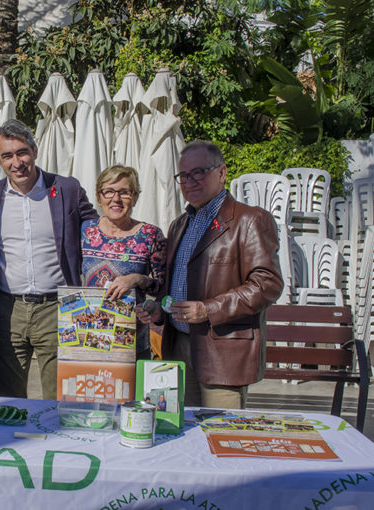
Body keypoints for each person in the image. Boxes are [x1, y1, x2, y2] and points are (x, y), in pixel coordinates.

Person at [137, 140, 283, 409]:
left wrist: (209, 309)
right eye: (183, 175)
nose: (190, 181)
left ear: (222, 173)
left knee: (221, 437)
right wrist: (160, 310)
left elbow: (268, 284)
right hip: (179, 347)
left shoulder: (249, 220)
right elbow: (177, 285)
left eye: (199, 172)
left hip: (223, 353)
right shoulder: (180, 224)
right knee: (184, 434)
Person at [0, 119, 98, 400]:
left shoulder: (66, 189)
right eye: (7, 155)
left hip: (57, 307)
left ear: (35, 150)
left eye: (22, 152)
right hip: (8, 310)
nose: (16, 162)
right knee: (9, 399)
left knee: (61, 397)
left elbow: (96, 231)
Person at [81, 165, 166, 360]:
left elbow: (163, 288)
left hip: (131, 340)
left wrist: (138, 279)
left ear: (135, 197)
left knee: (130, 391)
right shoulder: (85, 231)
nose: (116, 199)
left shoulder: (150, 235)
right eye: (109, 191)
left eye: (124, 192)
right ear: (99, 196)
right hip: (87, 338)